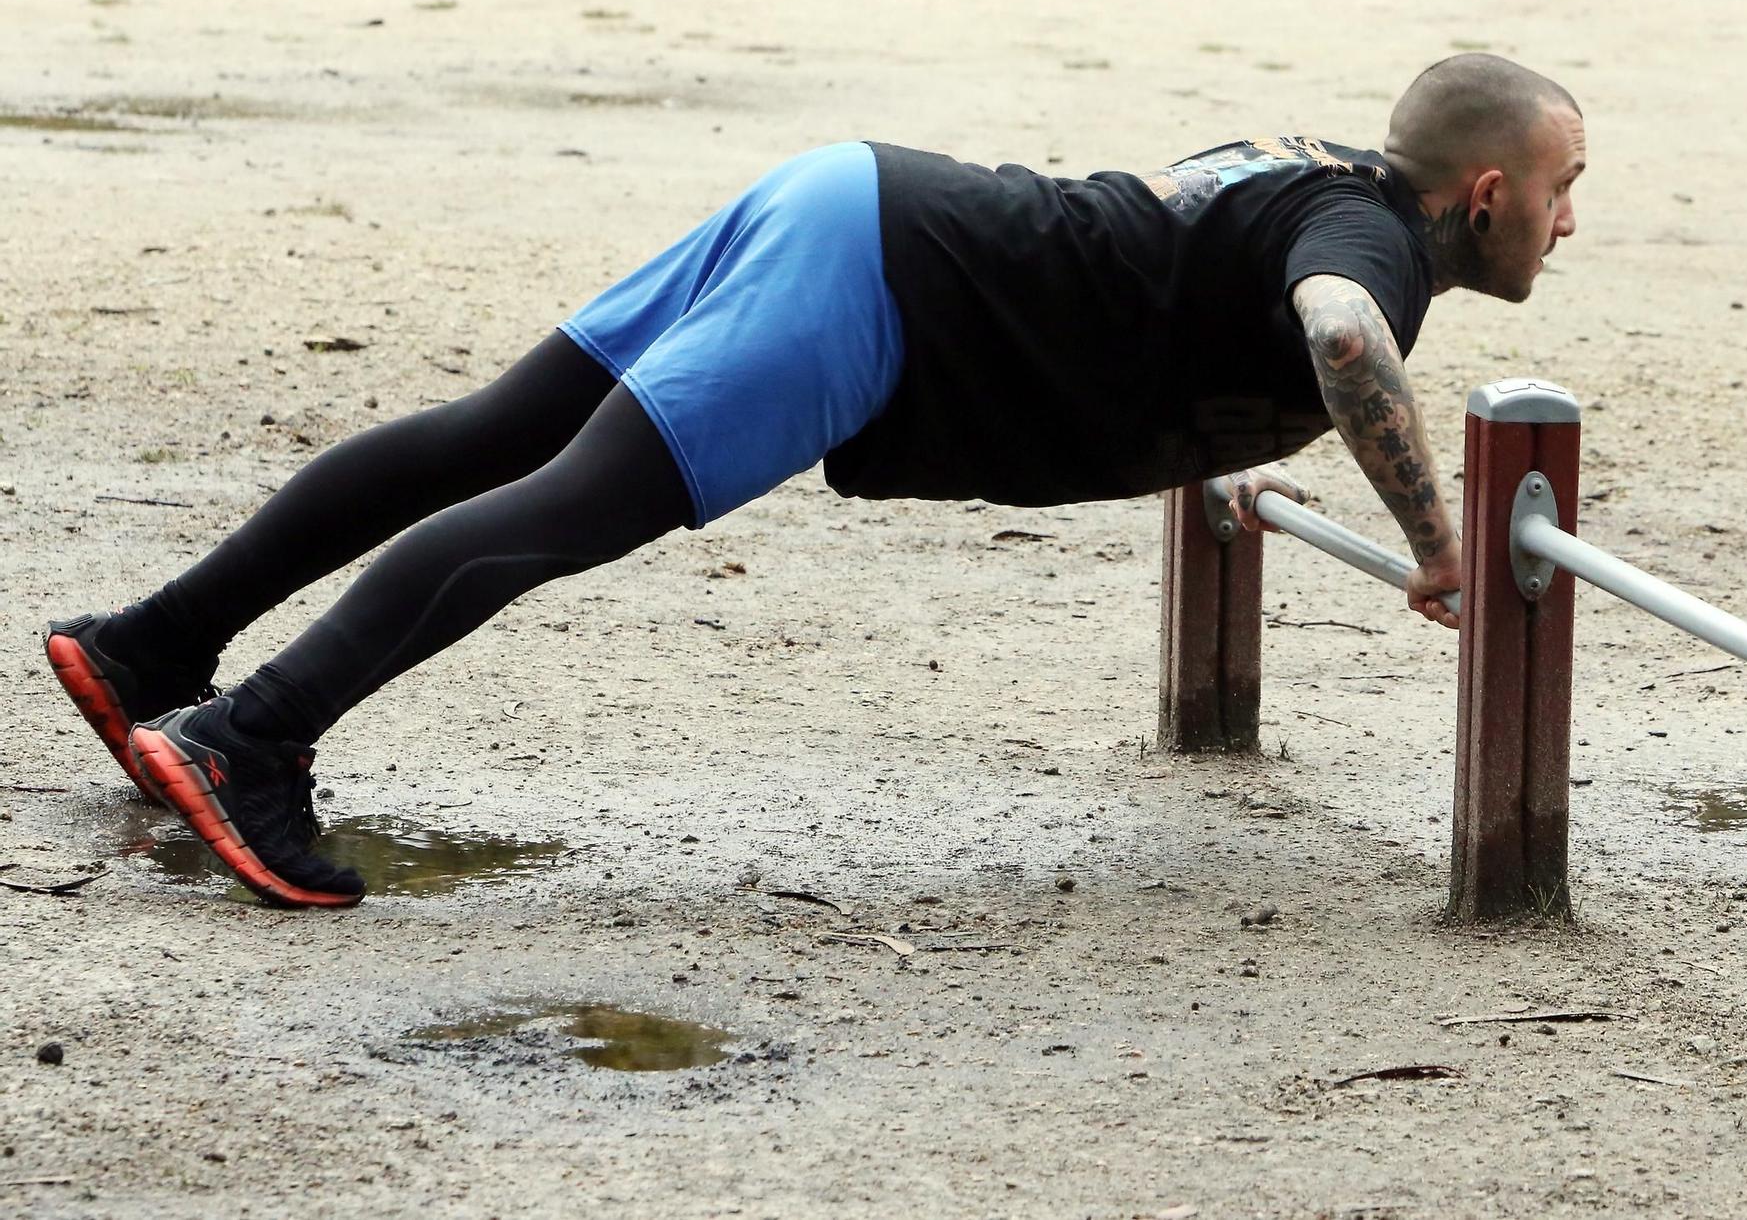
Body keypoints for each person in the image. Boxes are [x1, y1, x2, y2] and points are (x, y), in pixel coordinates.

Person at [42, 52, 1585, 909]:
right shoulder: (1375, 243)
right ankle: (248, 741)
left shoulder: (1314, 160)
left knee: (486, 434)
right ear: (1490, 191)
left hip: (845, 193)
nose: (1569, 225)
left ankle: (146, 647)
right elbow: (1337, 328)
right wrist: (1436, 537)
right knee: (561, 506)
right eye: (1566, 191)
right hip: (876, 288)